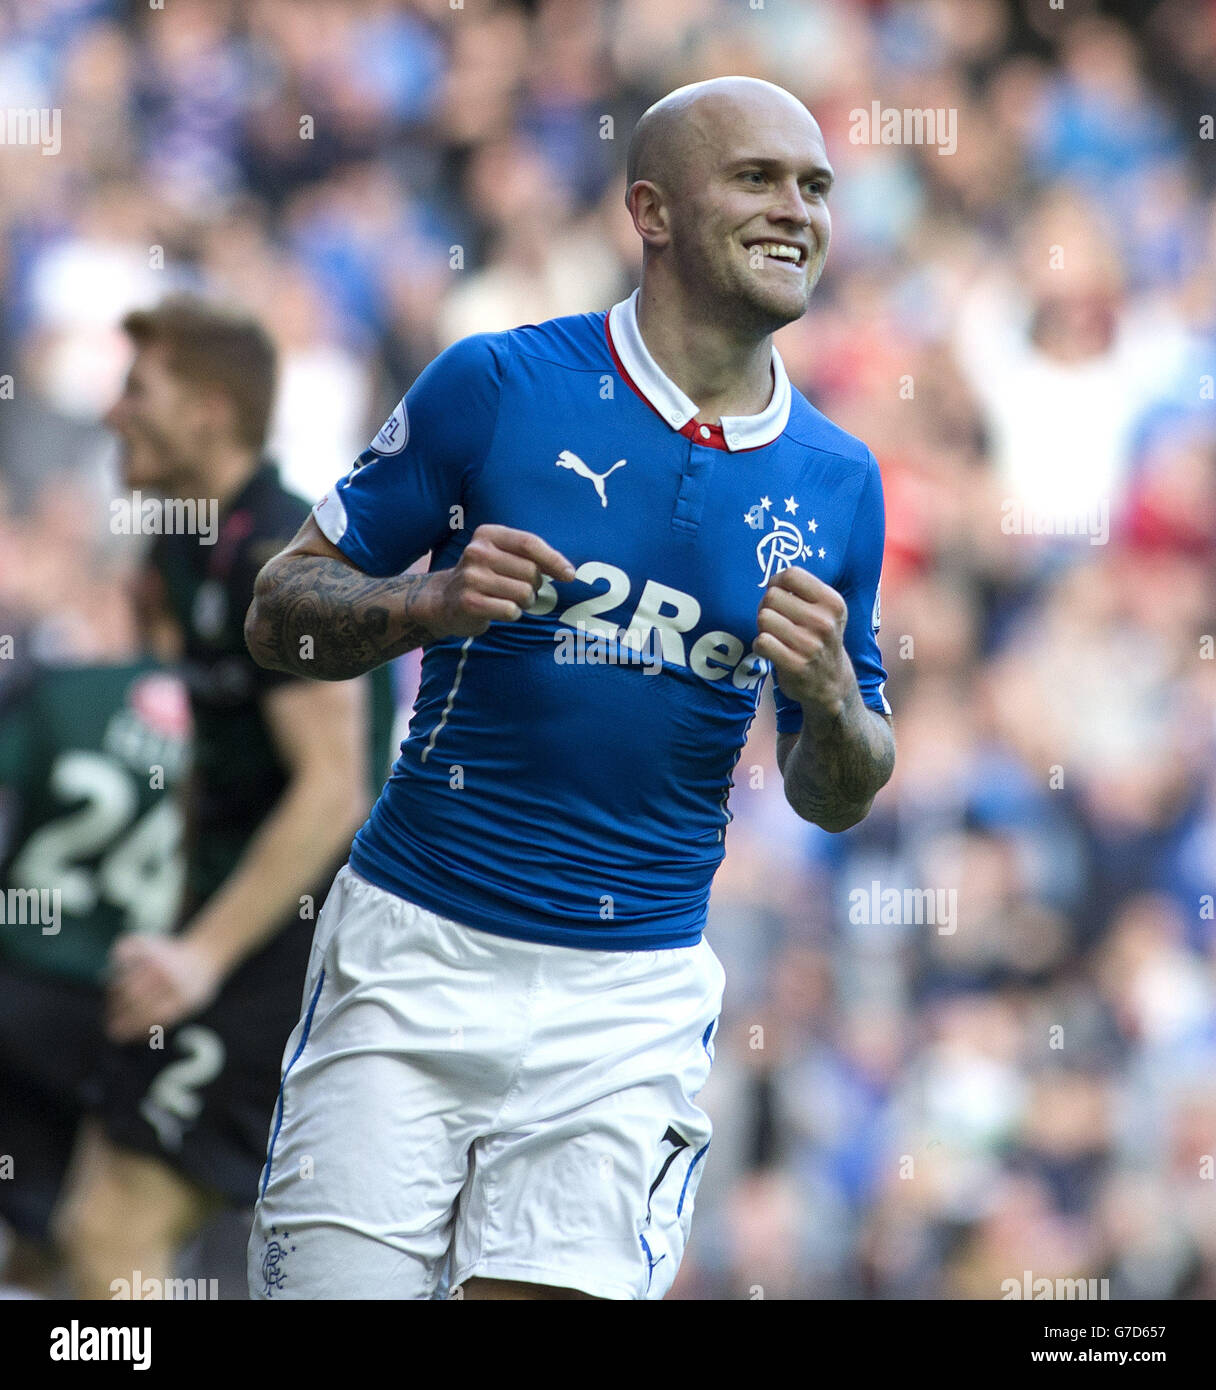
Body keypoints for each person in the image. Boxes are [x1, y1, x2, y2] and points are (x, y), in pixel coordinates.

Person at [243, 76, 895, 1301]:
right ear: (649, 209)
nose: (796, 210)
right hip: (416, 953)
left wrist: (836, 704)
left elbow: (837, 792)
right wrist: (423, 604)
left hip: (629, 1001)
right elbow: (280, 613)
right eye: (756, 178)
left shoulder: (837, 479)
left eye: (814, 187)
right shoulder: (497, 385)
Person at [54, 296, 396, 1298]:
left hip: (295, 940)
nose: (114, 412)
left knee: (111, 1222)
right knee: (83, 1227)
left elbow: (335, 791)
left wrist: (201, 954)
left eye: (137, 388)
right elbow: (187, 752)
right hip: (215, 920)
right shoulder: (173, 548)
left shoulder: (276, 564)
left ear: (208, 410)